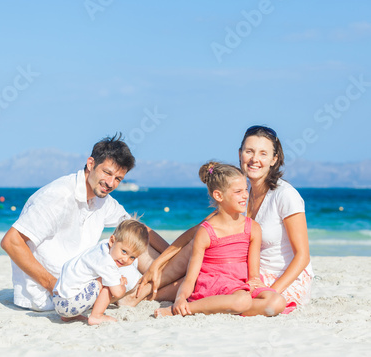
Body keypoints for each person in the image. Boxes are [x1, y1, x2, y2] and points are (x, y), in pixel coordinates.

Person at [127, 126, 313, 314]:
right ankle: (147, 284)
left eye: (263, 153)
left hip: (279, 278)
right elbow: (198, 231)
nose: (255, 159)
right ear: (240, 154)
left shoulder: (285, 195)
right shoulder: (243, 195)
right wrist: (158, 264)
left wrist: (273, 290)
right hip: (242, 270)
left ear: (274, 159)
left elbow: (303, 257)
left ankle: (145, 292)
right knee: (200, 246)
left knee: (208, 266)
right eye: (249, 151)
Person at [0, 134, 168, 311]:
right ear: (90, 164)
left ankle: (181, 277)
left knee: (135, 242)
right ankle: (176, 286)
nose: (110, 183)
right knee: (136, 275)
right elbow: (11, 241)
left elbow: (137, 228)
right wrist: (55, 286)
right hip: (50, 293)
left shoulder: (102, 199)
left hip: (80, 280)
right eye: (107, 173)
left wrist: (170, 253)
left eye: (118, 179)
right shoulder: (58, 195)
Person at [154, 162, 285, 318]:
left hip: (241, 286)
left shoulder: (253, 228)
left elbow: (253, 273)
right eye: (238, 191)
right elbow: (190, 279)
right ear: (218, 195)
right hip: (214, 285)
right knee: (242, 301)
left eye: (245, 189)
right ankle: (186, 308)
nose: (245, 195)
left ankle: (222, 307)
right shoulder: (205, 232)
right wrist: (180, 298)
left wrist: (255, 280)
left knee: (277, 302)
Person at [53, 219, 149, 325]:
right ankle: (96, 316)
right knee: (108, 283)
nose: (125, 259)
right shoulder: (107, 262)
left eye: (132, 257)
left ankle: (69, 317)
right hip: (69, 304)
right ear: (112, 241)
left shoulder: (101, 249)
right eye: (124, 251)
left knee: (105, 279)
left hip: (57, 299)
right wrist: (122, 285)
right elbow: (117, 293)